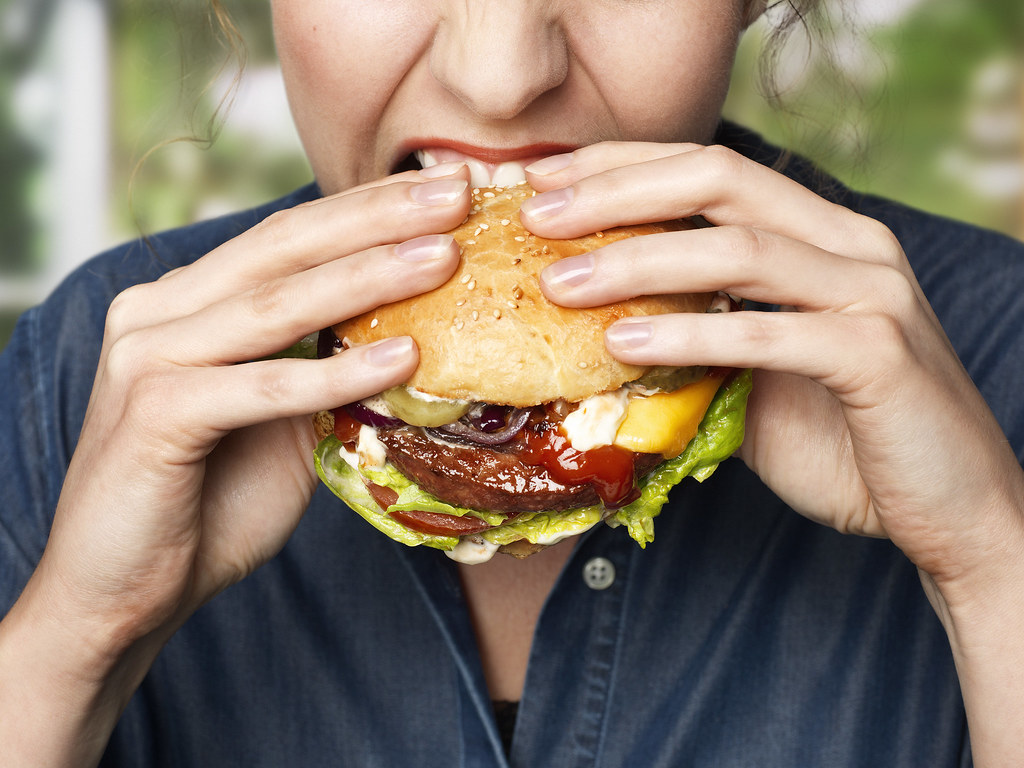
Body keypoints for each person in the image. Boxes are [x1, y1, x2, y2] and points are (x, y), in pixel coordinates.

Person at [1, 1, 1023, 765]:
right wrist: (74, 645)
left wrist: (989, 570)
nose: (500, 77)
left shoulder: (992, 348)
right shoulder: (93, 369)